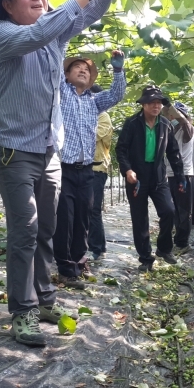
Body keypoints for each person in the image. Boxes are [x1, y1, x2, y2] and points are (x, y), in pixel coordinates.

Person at [0, 0, 117, 347]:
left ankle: (44, 300)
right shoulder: (4, 35)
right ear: (8, 5)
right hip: (13, 151)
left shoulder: (51, 35)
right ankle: (22, 310)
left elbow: (83, 15)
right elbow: (42, 31)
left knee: (46, 228)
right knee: (25, 230)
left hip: (48, 151)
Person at [53, 52, 126, 289]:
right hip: (63, 168)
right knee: (65, 220)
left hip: (86, 171)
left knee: (83, 219)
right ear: (66, 75)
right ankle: (65, 269)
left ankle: (79, 262)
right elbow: (53, 72)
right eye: (76, 67)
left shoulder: (93, 102)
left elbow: (117, 94)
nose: (83, 70)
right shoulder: (61, 93)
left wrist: (118, 71)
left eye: (86, 69)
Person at [115, 85, 185, 272]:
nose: (156, 106)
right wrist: (127, 170)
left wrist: (180, 176)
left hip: (158, 176)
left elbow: (173, 152)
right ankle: (145, 258)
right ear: (144, 105)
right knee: (140, 219)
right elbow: (121, 149)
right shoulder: (132, 124)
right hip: (136, 178)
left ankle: (164, 248)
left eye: (159, 103)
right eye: (152, 103)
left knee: (168, 211)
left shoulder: (165, 125)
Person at [163, 102, 194, 255]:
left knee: (183, 210)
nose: (171, 117)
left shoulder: (187, 129)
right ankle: (177, 241)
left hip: (184, 175)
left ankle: (183, 243)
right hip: (171, 174)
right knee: (174, 210)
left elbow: (184, 122)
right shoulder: (171, 130)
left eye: (173, 115)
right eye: (170, 115)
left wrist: (176, 113)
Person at [88, 85, 113, 261]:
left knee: (93, 209)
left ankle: (98, 248)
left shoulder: (103, 117)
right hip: (82, 168)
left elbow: (90, 136)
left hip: (97, 169)